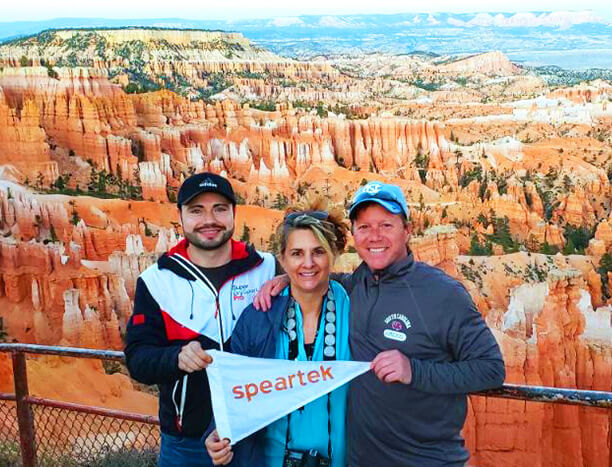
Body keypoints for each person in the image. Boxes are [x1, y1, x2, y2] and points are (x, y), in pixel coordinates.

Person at [255, 181, 506, 466]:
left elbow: (491, 369)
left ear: (407, 230)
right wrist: (290, 277)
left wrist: (414, 370)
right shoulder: (354, 286)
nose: (375, 237)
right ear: (354, 235)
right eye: (364, 227)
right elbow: (319, 278)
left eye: (386, 225)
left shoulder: (443, 294)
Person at [124, 172, 276, 467]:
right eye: (197, 210)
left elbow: (318, 281)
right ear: (180, 216)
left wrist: (287, 278)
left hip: (257, 434)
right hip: (187, 443)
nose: (209, 219)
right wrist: (176, 358)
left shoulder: (267, 268)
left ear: (234, 213)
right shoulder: (157, 282)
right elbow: (137, 359)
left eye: (219, 208)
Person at [205, 198, 351, 467]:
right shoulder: (259, 317)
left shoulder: (355, 308)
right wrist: (217, 432)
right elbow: (232, 386)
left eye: (318, 252)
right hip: (271, 460)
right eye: (297, 253)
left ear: (333, 255)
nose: (308, 263)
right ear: (282, 258)